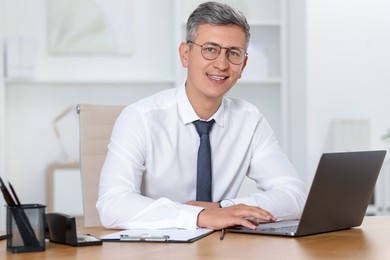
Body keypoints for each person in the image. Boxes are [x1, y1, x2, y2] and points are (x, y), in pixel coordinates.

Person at [97, 1, 307, 231]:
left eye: (233, 53)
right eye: (210, 49)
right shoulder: (140, 119)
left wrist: (224, 207)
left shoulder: (249, 120)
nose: (221, 64)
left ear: (244, 64)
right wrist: (198, 217)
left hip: (223, 248)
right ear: (185, 54)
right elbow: (112, 205)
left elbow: (294, 196)